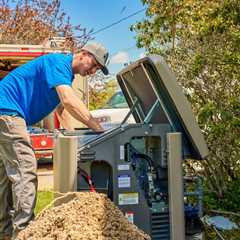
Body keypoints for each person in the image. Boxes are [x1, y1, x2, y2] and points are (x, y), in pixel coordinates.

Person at [0, 42, 109, 240]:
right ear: (84, 54)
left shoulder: (64, 75)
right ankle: (24, 232)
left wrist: (75, 141)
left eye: (98, 70)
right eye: (94, 65)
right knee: (25, 169)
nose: (93, 71)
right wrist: (98, 128)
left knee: (6, 177)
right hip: (7, 112)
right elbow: (68, 100)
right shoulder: (59, 63)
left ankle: (5, 232)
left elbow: (62, 111)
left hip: (5, 112)